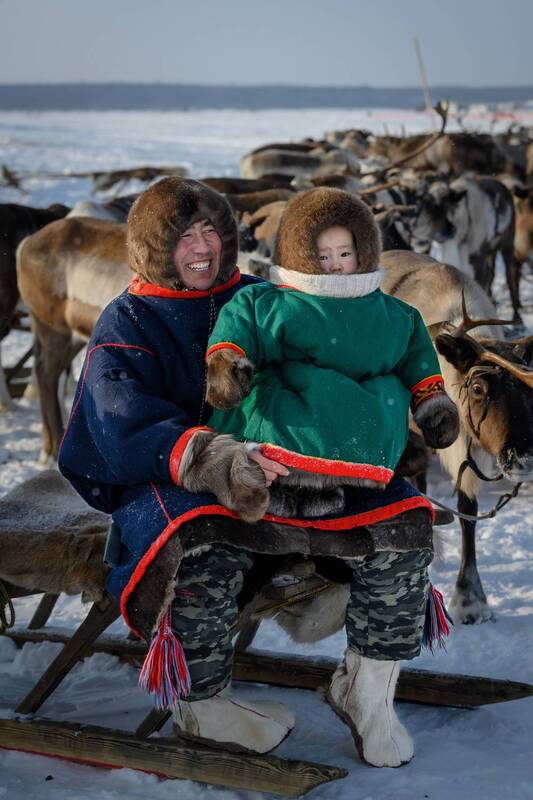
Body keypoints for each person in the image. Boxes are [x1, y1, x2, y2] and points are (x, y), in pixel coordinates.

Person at [59, 177, 453, 768]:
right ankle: (202, 703)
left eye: (210, 230)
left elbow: (328, 363)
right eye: (182, 236)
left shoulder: (261, 296)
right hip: (169, 476)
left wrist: (375, 424)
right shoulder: (129, 320)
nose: (201, 246)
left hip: (286, 469)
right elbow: (118, 419)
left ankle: (366, 689)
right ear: (153, 248)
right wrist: (215, 456)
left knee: (402, 523)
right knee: (200, 543)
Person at [205, 187, 459, 523]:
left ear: (364, 250)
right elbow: (239, 326)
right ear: (300, 253)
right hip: (294, 410)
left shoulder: (395, 314)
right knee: (280, 402)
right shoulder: (272, 302)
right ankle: (293, 486)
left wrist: (432, 401)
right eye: (323, 256)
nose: (335, 265)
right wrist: (227, 366)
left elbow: (417, 359)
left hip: (364, 419)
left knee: (382, 400)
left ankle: (343, 484)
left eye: (344, 253)